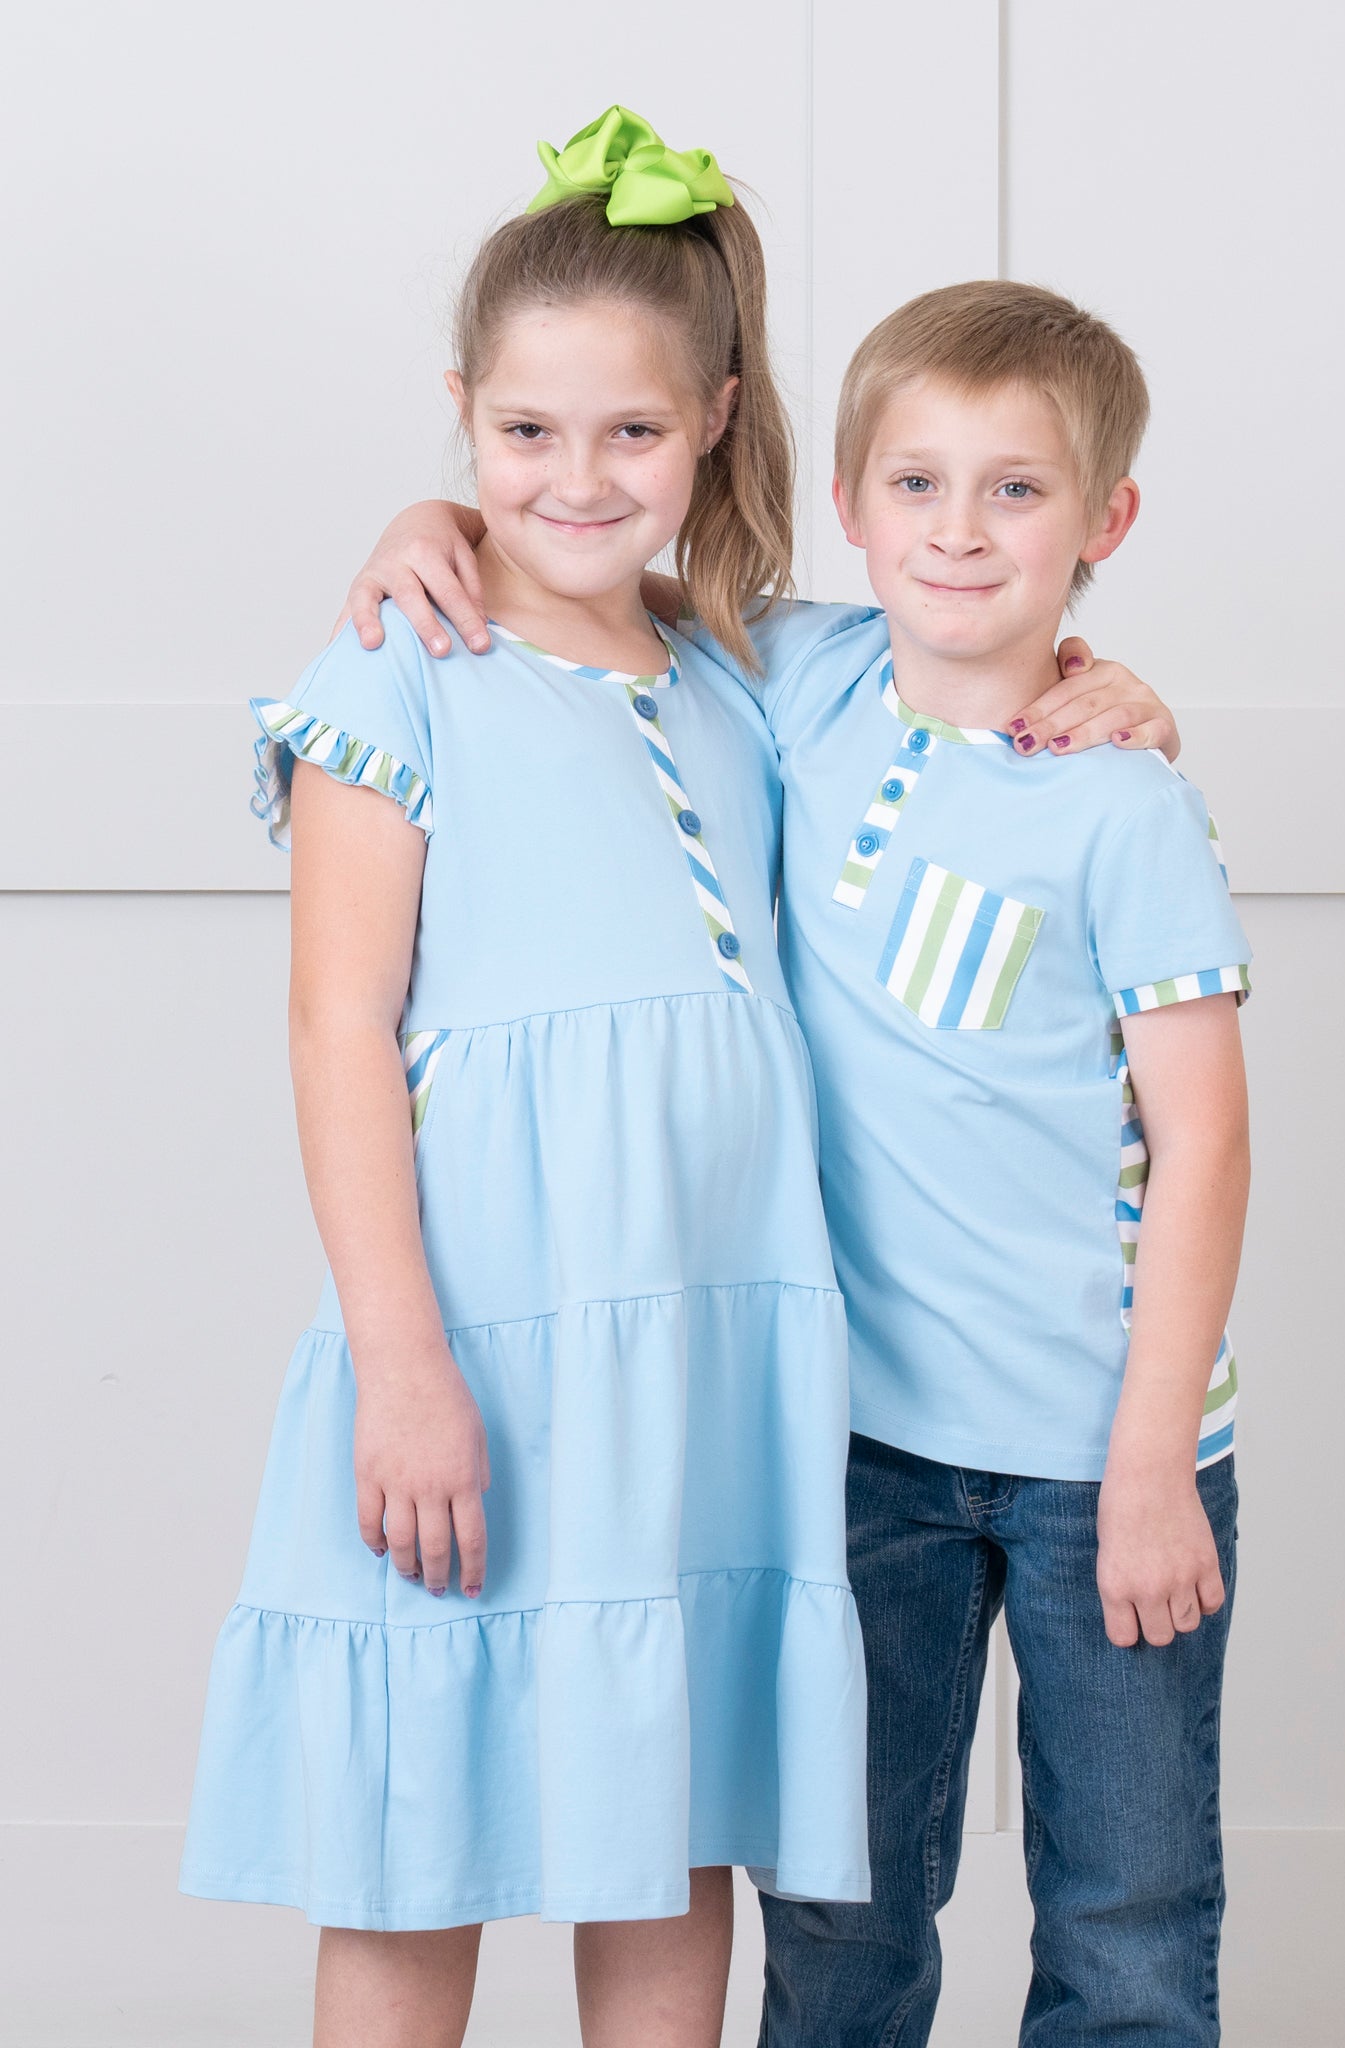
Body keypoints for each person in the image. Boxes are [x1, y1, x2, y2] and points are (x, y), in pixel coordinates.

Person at [359, 277, 1250, 2044]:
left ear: (1106, 522)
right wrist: (432, 519)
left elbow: (1207, 1141)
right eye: (917, 484)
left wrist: (1153, 1460)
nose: (960, 530)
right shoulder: (796, 673)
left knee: (1128, 1914)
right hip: (857, 1449)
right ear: (848, 502)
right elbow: (580, 554)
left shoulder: (1121, 799)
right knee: (841, 1912)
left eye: (1018, 491)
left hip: (1106, 1457)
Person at [178, 107, 869, 2048]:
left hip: (700, 1356)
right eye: (526, 433)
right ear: (461, 418)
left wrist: (1096, 689)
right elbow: (336, 1028)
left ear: (716, 418)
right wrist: (401, 1367)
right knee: (428, 1819)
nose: (578, 477)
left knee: (670, 1825)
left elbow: (969, 660)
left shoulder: (745, 679)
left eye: (631, 430)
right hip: (478, 1344)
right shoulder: (397, 673)